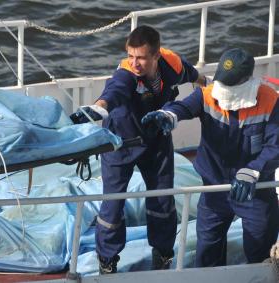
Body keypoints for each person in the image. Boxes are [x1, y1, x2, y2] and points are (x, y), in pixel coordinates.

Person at [70, 25, 206, 273]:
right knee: (113, 204)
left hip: (156, 139)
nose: (135, 63)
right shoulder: (126, 73)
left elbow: (192, 74)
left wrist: (209, 85)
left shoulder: (172, 64)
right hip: (121, 142)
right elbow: (113, 92)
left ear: (156, 56)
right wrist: (98, 108)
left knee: (162, 199)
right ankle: (108, 260)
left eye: (141, 57)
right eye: (131, 56)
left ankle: (163, 254)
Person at [141, 48, 279, 267]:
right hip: (214, 188)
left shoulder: (270, 100)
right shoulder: (208, 94)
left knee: (260, 252)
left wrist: (254, 170)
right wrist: (168, 114)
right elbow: (184, 107)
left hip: (256, 191)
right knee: (207, 248)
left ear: (246, 82)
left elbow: (275, 146)